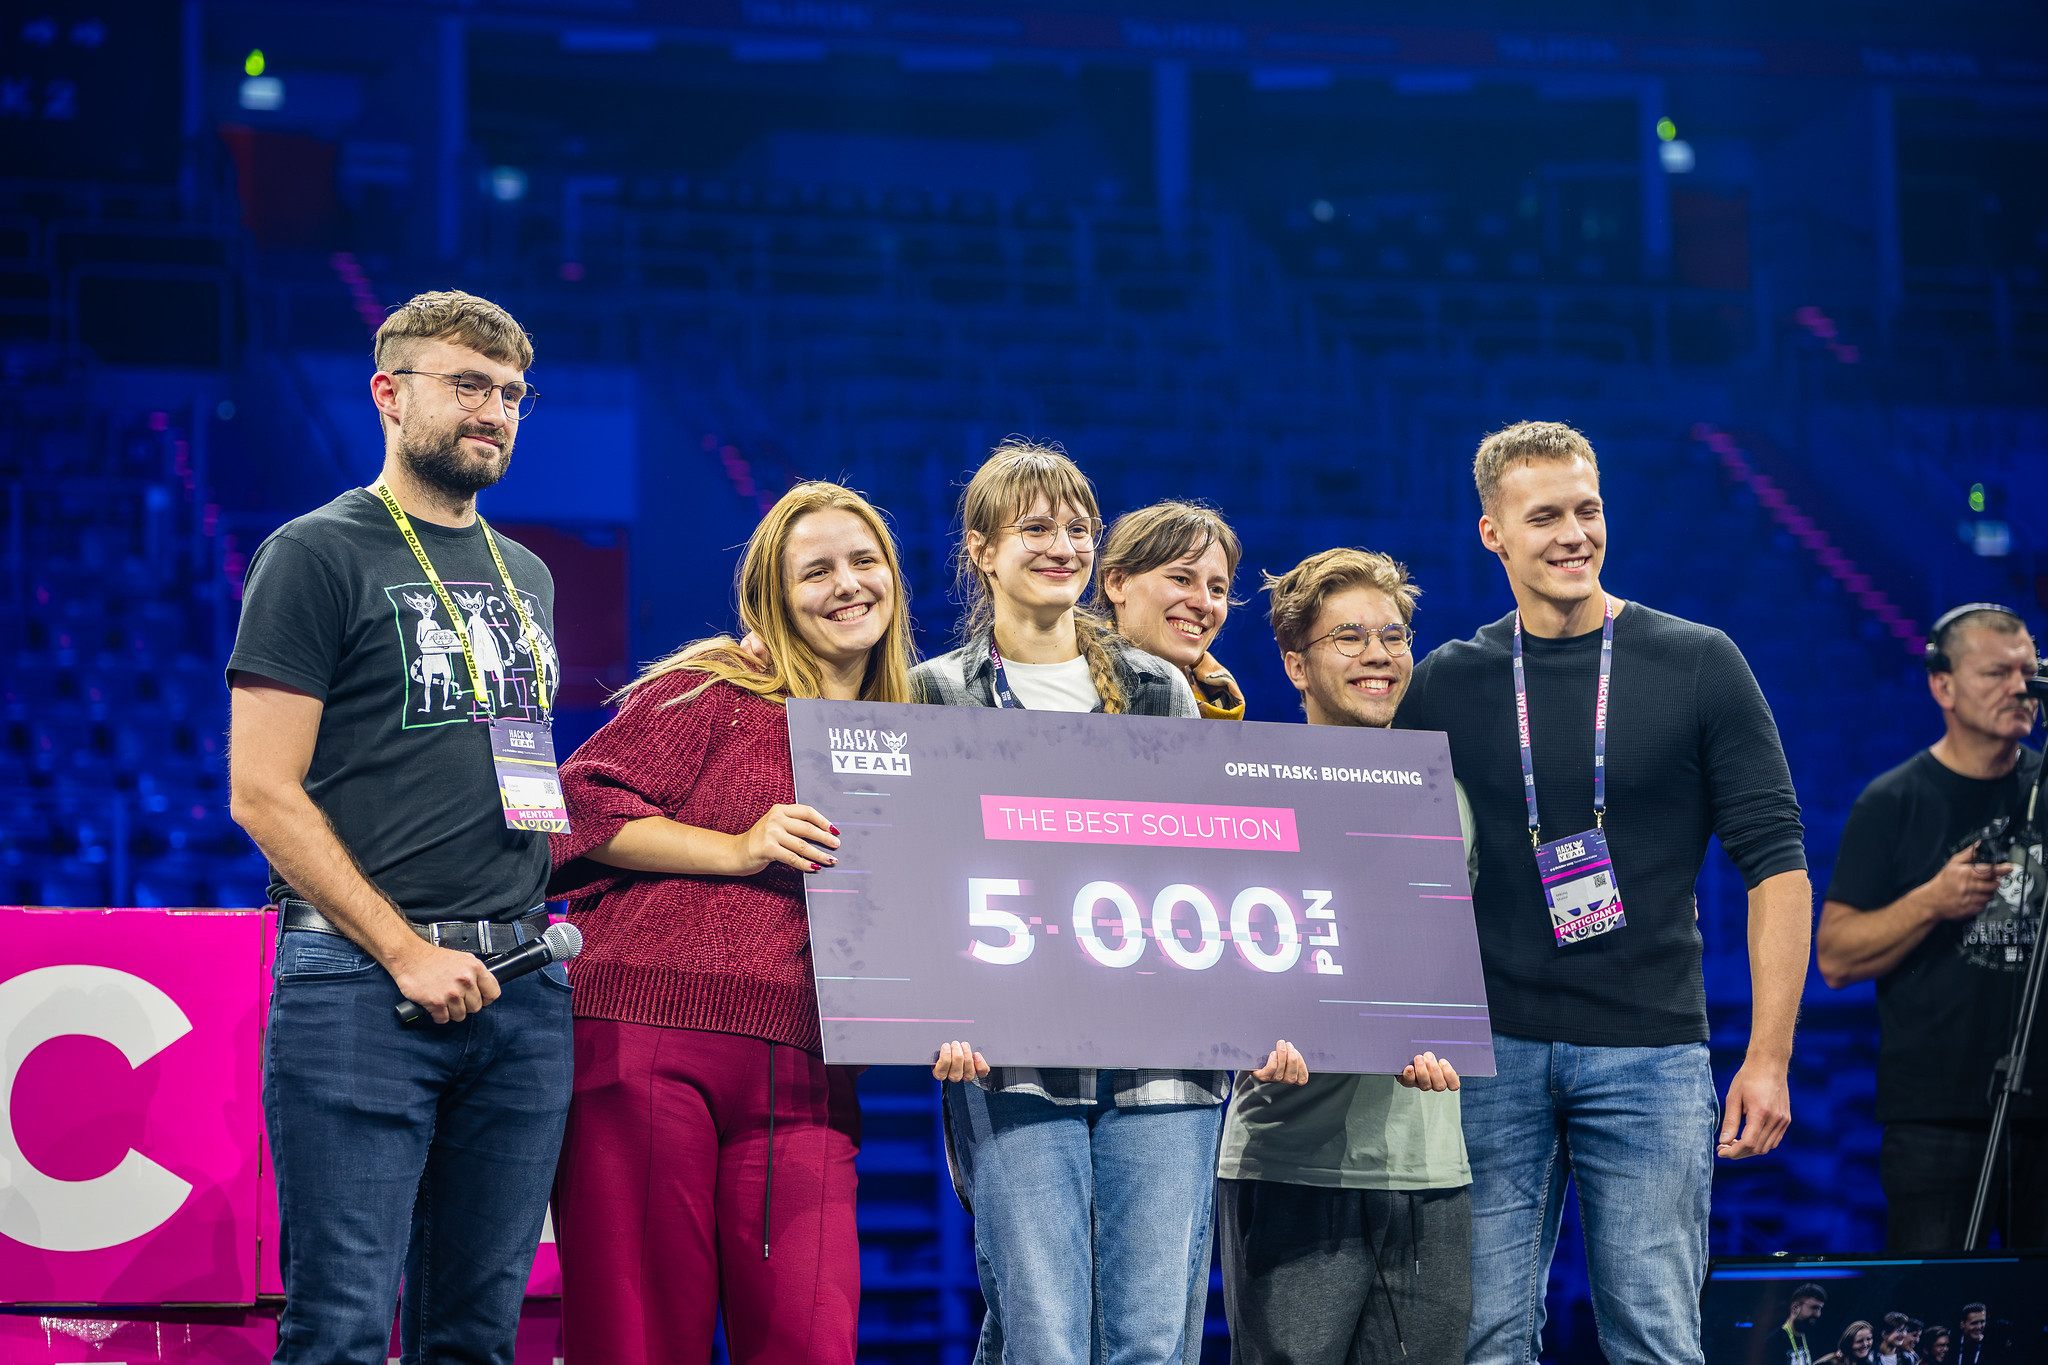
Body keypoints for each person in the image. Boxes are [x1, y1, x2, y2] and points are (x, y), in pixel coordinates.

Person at [1392, 421, 1811, 1365]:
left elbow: (1777, 865)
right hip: (1490, 1055)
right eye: (1545, 516)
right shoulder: (1448, 681)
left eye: (1588, 509)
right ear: (1494, 533)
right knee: (1482, 1341)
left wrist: (1770, 1055)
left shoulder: (1699, 661)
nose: (1574, 534)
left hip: (1651, 1052)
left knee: (1655, 1340)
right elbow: (1380, 852)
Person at [227, 290, 570, 1364]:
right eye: (468, 385)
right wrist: (406, 951)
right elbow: (261, 791)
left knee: (475, 1340)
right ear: (389, 393)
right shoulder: (315, 553)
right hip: (364, 987)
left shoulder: (526, 575)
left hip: (519, 988)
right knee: (338, 1328)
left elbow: (520, 772)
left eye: (511, 394)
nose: (495, 412)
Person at [915, 438, 1308, 1365]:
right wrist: (932, 1008)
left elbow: (1205, 872)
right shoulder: (933, 693)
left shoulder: (1157, 687)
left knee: (1148, 1341)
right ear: (981, 549)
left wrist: (1254, 1011)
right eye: (1036, 528)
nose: (1063, 546)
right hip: (1007, 1060)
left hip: (1164, 1061)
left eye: (1079, 528)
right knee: (1044, 1337)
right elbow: (919, 869)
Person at [546, 482, 916, 1365]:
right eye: (815, 571)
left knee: (812, 1340)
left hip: (809, 1075)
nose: (847, 584)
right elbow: (575, 808)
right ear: (772, 600)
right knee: (639, 1343)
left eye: (864, 561)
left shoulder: (912, 737)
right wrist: (740, 846)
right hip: (645, 1039)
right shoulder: (714, 687)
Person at [1214, 548, 1473, 1364]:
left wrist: (1444, 1036)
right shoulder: (1249, 790)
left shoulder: (1445, 797)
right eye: (1349, 637)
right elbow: (1217, 963)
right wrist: (1241, 1033)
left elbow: (1450, 967)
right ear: (1297, 664)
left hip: (1430, 1167)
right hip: (1292, 1162)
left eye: (1392, 635)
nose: (1377, 655)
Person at [1816, 605, 2046, 1251]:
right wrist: (1932, 901)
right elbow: (1835, 958)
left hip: (2046, 1111)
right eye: (1997, 672)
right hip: (1937, 1117)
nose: (2021, 688)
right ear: (1942, 684)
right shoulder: (1893, 801)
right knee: (1936, 1304)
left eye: (2029, 671)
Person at [1095, 499, 1246, 718]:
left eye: (1216, 589)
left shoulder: (1222, 702)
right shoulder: (1072, 686)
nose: (1204, 604)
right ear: (1118, 583)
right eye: (1181, 579)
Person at [1777, 1283, 1829, 1365]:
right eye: (1814, 1307)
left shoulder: (1812, 1339)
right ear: (1795, 1308)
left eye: (1819, 1309)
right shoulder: (1773, 1343)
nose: (1818, 1314)